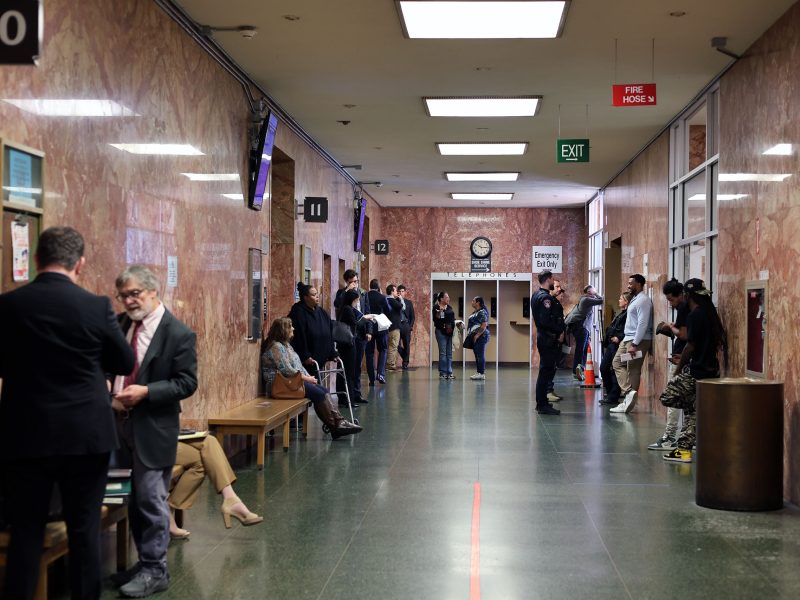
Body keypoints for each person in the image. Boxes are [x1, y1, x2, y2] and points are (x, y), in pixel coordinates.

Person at [0, 226, 135, 600]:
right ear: (80, 264)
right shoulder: (94, 306)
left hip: (24, 436)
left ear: (37, 260)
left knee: (26, 534)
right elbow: (123, 360)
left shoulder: (8, 305)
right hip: (85, 436)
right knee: (84, 531)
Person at [110, 265, 198, 598]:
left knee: (150, 498)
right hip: (118, 426)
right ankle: (145, 562)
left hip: (153, 428)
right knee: (131, 500)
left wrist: (146, 392)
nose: (129, 301)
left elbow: (187, 382)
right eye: (123, 295)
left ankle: (156, 570)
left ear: (153, 291)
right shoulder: (120, 325)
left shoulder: (178, 333)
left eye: (134, 294)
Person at [262, 318, 362, 439]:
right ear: (283, 330)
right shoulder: (276, 347)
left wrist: (308, 377)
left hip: (291, 382)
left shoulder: (286, 345)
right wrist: (307, 379)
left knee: (323, 391)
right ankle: (335, 426)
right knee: (318, 394)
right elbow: (286, 370)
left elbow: (297, 365)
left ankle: (338, 423)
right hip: (280, 384)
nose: (293, 328)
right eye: (290, 326)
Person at [661, 279, 727, 463]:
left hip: (696, 370)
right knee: (692, 413)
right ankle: (684, 450)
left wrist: (679, 367)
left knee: (667, 396)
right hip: (710, 370)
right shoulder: (709, 314)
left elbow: (690, 345)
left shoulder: (695, 315)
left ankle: (694, 412)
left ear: (688, 295)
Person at [168, 435, 262, 539]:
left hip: (170, 433)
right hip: (153, 440)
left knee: (210, 441)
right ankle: (166, 510)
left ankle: (230, 498)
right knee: (201, 462)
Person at [648, 278, 690, 450]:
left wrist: (669, 327)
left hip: (682, 359)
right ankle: (686, 437)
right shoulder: (690, 309)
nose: (671, 303)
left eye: (672, 299)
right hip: (684, 359)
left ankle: (670, 437)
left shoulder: (685, 309)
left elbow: (684, 335)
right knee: (687, 402)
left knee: (673, 398)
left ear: (681, 295)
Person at [610, 274, 654, 414]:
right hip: (628, 339)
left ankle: (628, 403)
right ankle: (628, 392)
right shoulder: (635, 299)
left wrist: (635, 344)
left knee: (633, 369)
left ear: (639, 284)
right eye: (628, 283)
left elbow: (642, 323)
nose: (628, 286)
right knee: (617, 362)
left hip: (637, 341)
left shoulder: (643, 301)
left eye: (631, 283)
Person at [333, 270, 370, 402]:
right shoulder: (342, 293)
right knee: (345, 367)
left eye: (356, 281)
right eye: (351, 282)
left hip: (360, 333)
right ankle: (343, 395)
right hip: (347, 334)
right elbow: (337, 304)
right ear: (347, 282)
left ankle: (356, 393)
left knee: (357, 366)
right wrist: (346, 291)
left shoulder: (363, 293)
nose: (354, 284)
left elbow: (367, 309)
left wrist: (369, 331)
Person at [288, 282, 336, 381]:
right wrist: (305, 355)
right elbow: (299, 336)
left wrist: (332, 352)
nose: (317, 297)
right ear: (305, 297)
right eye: (314, 295)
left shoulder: (321, 312)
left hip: (321, 355)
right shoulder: (298, 312)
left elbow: (330, 332)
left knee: (319, 381)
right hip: (308, 359)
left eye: (317, 294)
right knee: (313, 382)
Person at [530, 271, 563, 415]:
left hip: (545, 337)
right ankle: (542, 404)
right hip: (548, 338)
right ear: (548, 279)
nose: (553, 281)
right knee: (545, 372)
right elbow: (545, 321)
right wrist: (559, 328)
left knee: (546, 370)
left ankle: (542, 402)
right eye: (552, 279)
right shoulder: (545, 298)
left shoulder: (536, 295)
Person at [338, 289, 376, 404]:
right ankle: (348, 398)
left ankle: (353, 395)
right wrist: (366, 319)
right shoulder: (347, 310)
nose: (357, 302)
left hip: (350, 342)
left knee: (353, 370)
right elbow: (355, 323)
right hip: (348, 343)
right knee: (349, 371)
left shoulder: (347, 309)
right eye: (356, 300)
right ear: (353, 300)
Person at [599, 292, 631, 406]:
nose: (619, 301)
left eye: (621, 299)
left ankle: (613, 396)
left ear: (626, 302)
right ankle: (610, 393)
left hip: (618, 344)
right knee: (603, 367)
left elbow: (628, 329)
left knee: (615, 369)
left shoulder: (628, 314)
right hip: (611, 344)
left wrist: (619, 337)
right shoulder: (621, 313)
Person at [565, 285, 604, 381]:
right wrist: (596, 293)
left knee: (584, 348)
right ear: (589, 291)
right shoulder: (586, 300)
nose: (595, 291)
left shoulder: (583, 299)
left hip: (581, 328)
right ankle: (577, 370)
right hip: (581, 327)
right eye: (593, 289)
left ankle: (580, 369)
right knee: (581, 349)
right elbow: (602, 300)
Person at [366, 279, 388, 385]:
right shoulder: (382, 297)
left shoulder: (365, 295)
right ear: (379, 287)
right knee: (383, 349)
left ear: (370, 286)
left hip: (368, 328)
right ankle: (381, 374)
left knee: (369, 353)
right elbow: (388, 310)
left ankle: (371, 379)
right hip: (381, 327)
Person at [548, 280, 567, 400]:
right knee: (549, 366)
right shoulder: (548, 302)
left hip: (556, 337)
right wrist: (557, 334)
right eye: (557, 286)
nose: (559, 289)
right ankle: (547, 391)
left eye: (560, 286)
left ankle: (550, 389)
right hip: (551, 338)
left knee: (553, 365)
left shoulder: (555, 302)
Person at [432, 291, 456, 379]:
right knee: (443, 353)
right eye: (446, 297)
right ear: (441, 299)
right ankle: (442, 372)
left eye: (448, 297)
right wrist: (439, 312)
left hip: (449, 331)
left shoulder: (449, 307)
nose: (448, 299)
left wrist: (457, 324)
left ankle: (449, 372)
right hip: (440, 331)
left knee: (449, 353)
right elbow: (436, 319)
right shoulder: (436, 307)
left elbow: (452, 318)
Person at [467, 296, 490, 380]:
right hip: (475, 336)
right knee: (477, 355)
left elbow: (484, 325)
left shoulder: (482, 312)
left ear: (478, 302)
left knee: (480, 355)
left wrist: (477, 335)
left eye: (473, 300)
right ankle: (478, 372)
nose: (472, 302)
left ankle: (481, 373)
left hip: (481, 336)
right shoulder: (475, 312)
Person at [385, 284, 403, 370]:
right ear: (392, 291)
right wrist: (399, 298)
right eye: (396, 291)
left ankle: (390, 364)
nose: (397, 292)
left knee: (390, 346)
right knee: (393, 346)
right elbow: (400, 306)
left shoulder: (385, 299)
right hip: (394, 327)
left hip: (386, 327)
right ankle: (390, 365)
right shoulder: (392, 300)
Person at [397, 284, 416, 369]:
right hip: (397, 325)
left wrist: (410, 326)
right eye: (399, 291)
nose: (401, 293)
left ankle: (405, 363)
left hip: (406, 325)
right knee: (396, 345)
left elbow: (413, 316)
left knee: (406, 344)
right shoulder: (395, 301)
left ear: (405, 292)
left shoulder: (409, 302)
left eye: (402, 291)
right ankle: (405, 356)